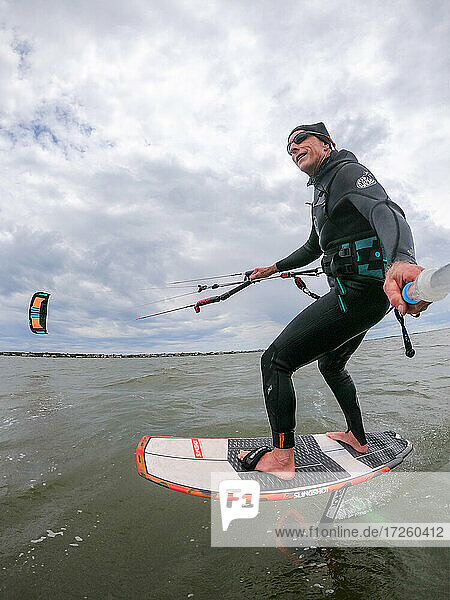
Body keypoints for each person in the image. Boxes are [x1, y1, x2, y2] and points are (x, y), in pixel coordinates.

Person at [239, 122, 427, 480]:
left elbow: (386, 211)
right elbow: (313, 247)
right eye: (288, 147)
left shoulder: (345, 171)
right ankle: (357, 437)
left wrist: (401, 258)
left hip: (357, 294)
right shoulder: (322, 196)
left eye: (299, 140)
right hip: (365, 299)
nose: (293, 148)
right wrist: (272, 268)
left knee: (275, 361)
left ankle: (281, 460)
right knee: (331, 365)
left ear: (326, 144)